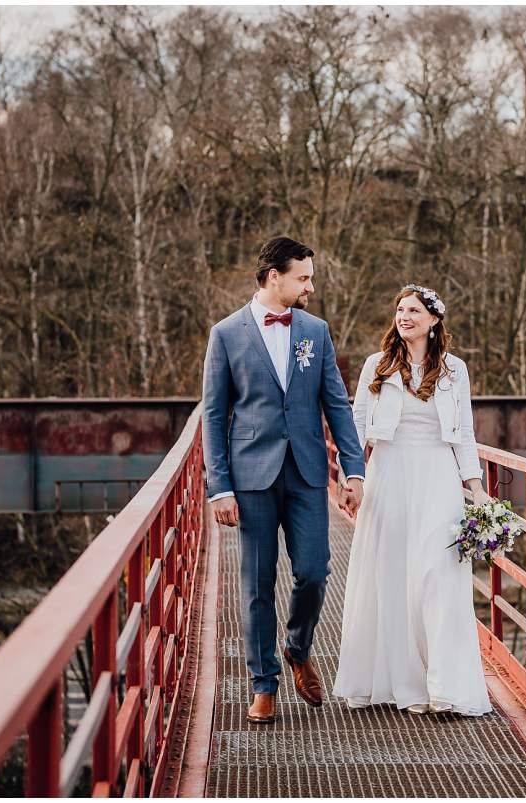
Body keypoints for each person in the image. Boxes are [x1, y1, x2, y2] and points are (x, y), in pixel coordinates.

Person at [201, 236, 366, 725]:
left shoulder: (315, 330)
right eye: (304, 277)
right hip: (250, 477)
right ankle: (263, 683)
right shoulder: (226, 334)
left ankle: (297, 646)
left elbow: (336, 403)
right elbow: (213, 416)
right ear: (275, 276)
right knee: (256, 583)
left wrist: (353, 469)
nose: (310, 286)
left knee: (315, 571)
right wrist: (220, 487)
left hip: (308, 472)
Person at [332, 284, 493, 716]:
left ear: (434, 320)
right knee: (391, 575)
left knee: (437, 575)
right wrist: (353, 479)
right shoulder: (377, 366)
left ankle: (442, 684)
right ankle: (399, 683)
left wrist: (475, 487)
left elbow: (464, 433)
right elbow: (357, 424)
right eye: (400, 309)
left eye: (414, 311)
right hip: (389, 475)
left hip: (438, 478)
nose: (404, 316)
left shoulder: (455, 370)